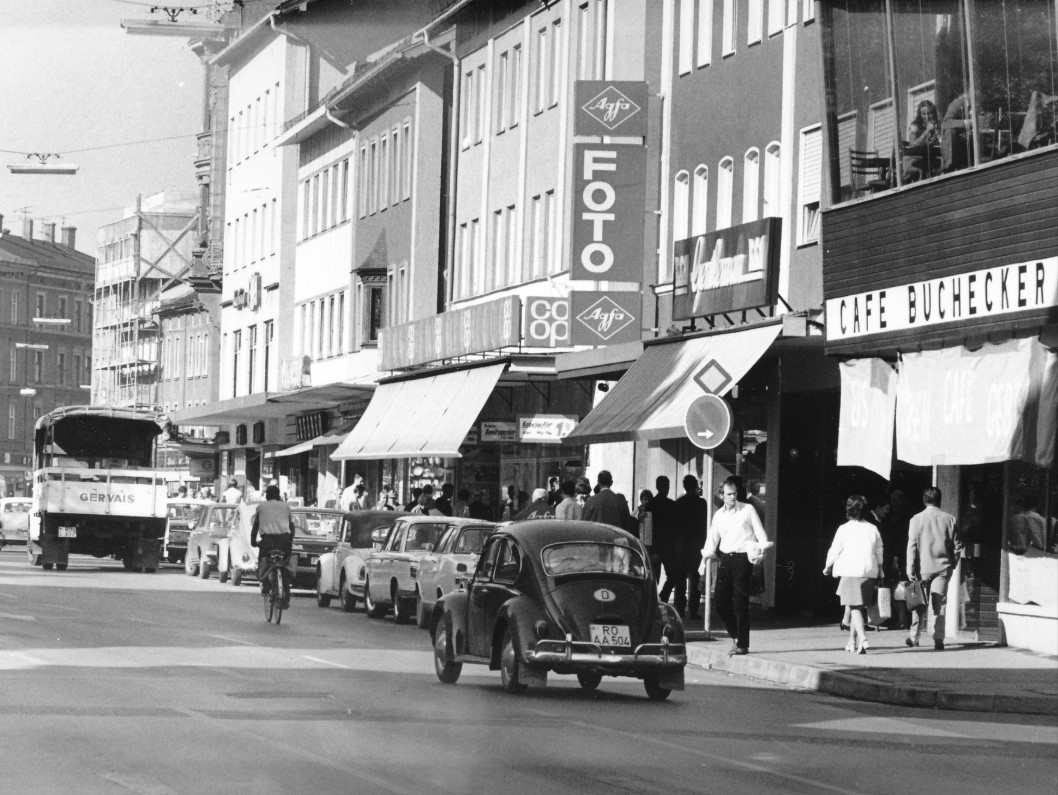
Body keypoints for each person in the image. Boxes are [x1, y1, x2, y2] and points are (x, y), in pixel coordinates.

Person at [702, 476, 771, 655]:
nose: (732, 497)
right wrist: (704, 560)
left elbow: (761, 534)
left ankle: (743, 644)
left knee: (740, 602)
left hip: (743, 558)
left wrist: (761, 551)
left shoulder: (747, 510)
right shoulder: (718, 515)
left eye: (734, 494)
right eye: (729, 494)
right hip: (726, 558)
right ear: (722, 495)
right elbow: (712, 540)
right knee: (720, 602)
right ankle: (735, 636)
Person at [824, 495, 884, 655]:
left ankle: (863, 639)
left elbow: (835, 549)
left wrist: (827, 565)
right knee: (856, 605)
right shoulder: (873, 528)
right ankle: (852, 641)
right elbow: (879, 551)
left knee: (854, 607)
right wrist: (881, 569)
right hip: (869, 571)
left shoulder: (844, 529)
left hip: (850, 570)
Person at [906, 486, 963, 650]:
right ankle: (938, 638)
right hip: (943, 568)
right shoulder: (950, 519)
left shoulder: (916, 519)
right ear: (940, 500)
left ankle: (914, 636)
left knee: (918, 602)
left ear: (924, 500)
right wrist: (953, 563)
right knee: (939, 604)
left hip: (921, 568)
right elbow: (957, 546)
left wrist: (910, 568)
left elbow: (912, 545)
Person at [249, 485, 296, 609]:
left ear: (267, 495)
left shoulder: (261, 507)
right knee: (285, 564)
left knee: (263, 560)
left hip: (268, 540)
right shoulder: (286, 506)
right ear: (279, 495)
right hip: (284, 540)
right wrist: (290, 540)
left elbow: (255, 527)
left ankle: (265, 584)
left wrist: (253, 541)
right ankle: (286, 594)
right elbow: (292, 527)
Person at [671, 475, 708, 619]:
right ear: (695, 486)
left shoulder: (679, 503)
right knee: (695, 577)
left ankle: (679, 607)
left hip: (681, 545)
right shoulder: (701, 503)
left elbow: (673, 527)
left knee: (680, 578)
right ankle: (693, 609)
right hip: (697, 544)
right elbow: (704, 524)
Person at [650, 476, 679, 605]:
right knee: (672, 576)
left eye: (666, 487)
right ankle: (662, 598)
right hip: (667, 546)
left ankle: (656, 599)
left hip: (657, 546)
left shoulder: (651, 505)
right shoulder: (672, 505)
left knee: (654, 578)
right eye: (665, 486)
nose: (666, 489)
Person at [903, 99, 941, 182]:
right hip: (915, 159)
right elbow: (913, 145)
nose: (926, 116)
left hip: (930, 157)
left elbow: (940, 141)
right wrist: (927, 131)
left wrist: (936, 132)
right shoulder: (915, 126)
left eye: (929, 113)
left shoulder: (936, 125)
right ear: (920, 115)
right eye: (924, 114)